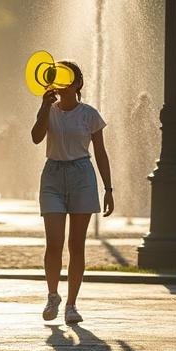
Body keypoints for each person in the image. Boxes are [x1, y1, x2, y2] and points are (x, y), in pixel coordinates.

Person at [31, 61, 113, 325]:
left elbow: (100, 152)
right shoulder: (49, 110)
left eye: (68, 80)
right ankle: (52, 294)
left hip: (81, 174)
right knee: (54, 242)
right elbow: (35, 137)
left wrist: (108, 188)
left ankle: (71, 304)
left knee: (76, 245)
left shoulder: (89, 114)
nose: (63, 85)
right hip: (53, 175)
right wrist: (44, 106)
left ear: (77, 84)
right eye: (58, 78)